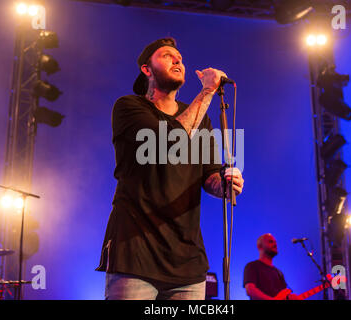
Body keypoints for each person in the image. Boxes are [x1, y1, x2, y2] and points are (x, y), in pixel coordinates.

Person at [96, 37, 244, 300]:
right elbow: (169, 142)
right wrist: (208, 91)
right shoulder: (130, 108)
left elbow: (209, 175)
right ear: (146, 69)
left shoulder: (201, 118)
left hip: (187, 263)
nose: (178, 60)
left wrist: (225, 183)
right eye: (167, 55)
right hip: (134, 255)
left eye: (180, 57)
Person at [243, 234, 301, 300]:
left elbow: (284, 295)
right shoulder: (252, 266)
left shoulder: (278, 272)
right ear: (260, 246)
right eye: (271, 242)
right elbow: (250, 290)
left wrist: (290, 297)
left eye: (275, 242)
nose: (275, 244)